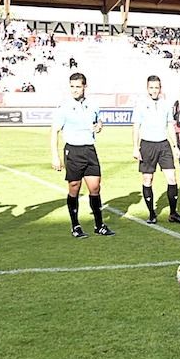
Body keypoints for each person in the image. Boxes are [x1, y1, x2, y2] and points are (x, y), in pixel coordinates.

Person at [51, 73, 115, 238]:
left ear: (85, 87)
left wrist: (99, 126)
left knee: (95, 187)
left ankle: (99, 225)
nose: (74, 90)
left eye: (78, 86)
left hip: (89, 150)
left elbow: (98, 122)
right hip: (73, 151)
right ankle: (75, 226)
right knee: (74, 187)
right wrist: (55, 156)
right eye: (72, 86)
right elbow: (54, 131)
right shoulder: (64, 107)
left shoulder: (93, 105)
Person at [132, 75, 180, 225]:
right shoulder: (140, 105)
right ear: (147, 88)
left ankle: (173, 213)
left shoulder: (166, 104)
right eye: (151, 87)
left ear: (160, 88)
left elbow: (170, 125)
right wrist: (135, 147)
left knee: (172, 178)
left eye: (156, 87)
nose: (154, 90)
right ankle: (151, 214)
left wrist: (175, 146)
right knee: (147, 179)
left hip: (164, 145)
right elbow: (136, 126)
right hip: (147, 145)